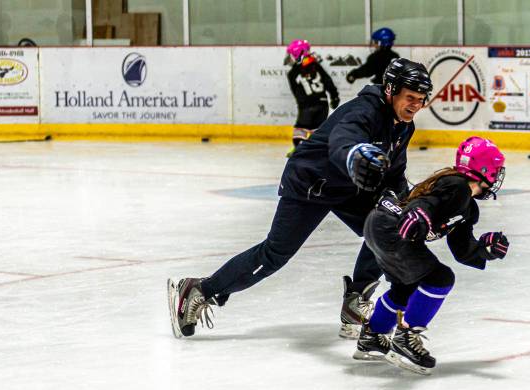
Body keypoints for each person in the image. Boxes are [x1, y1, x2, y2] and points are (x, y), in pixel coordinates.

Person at [167, 58, 434, 340]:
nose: (415, 105)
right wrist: (354, 154)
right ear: (391, 90)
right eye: (410, 98)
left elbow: (394, 172)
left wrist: (406, 204)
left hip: (347, 188)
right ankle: (198, 290)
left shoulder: (403, 125)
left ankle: (356, 302)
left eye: (420, 100)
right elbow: (343, 140)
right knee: (274, 254)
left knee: (390, 226)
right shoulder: (364, 111)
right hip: (311, 183)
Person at [352, 136, 510, 375]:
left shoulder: (468, 207)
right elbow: (426, 203)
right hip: (390, 227)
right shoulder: (456, 185)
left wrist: (485, 251)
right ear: (484, 169)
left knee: (405, 289)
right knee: (440, 278)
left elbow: (462, 250)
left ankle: (372, 336)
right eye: (496, 171)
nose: (497, 177)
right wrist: (419, 214)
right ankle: (406, 337)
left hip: (381, 226)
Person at [284, 39, 340, 155]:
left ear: (297, 54)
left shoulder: (292, 73)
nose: (290, 57)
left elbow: (295, 91)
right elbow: (327, 81)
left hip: (306, 106)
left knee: (301, 128)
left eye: (291, 55)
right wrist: (334, 96)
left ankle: (300, 149)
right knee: (318, 130)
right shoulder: (316, 66)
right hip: (323, 104)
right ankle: (320, 150)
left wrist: (302, 103)